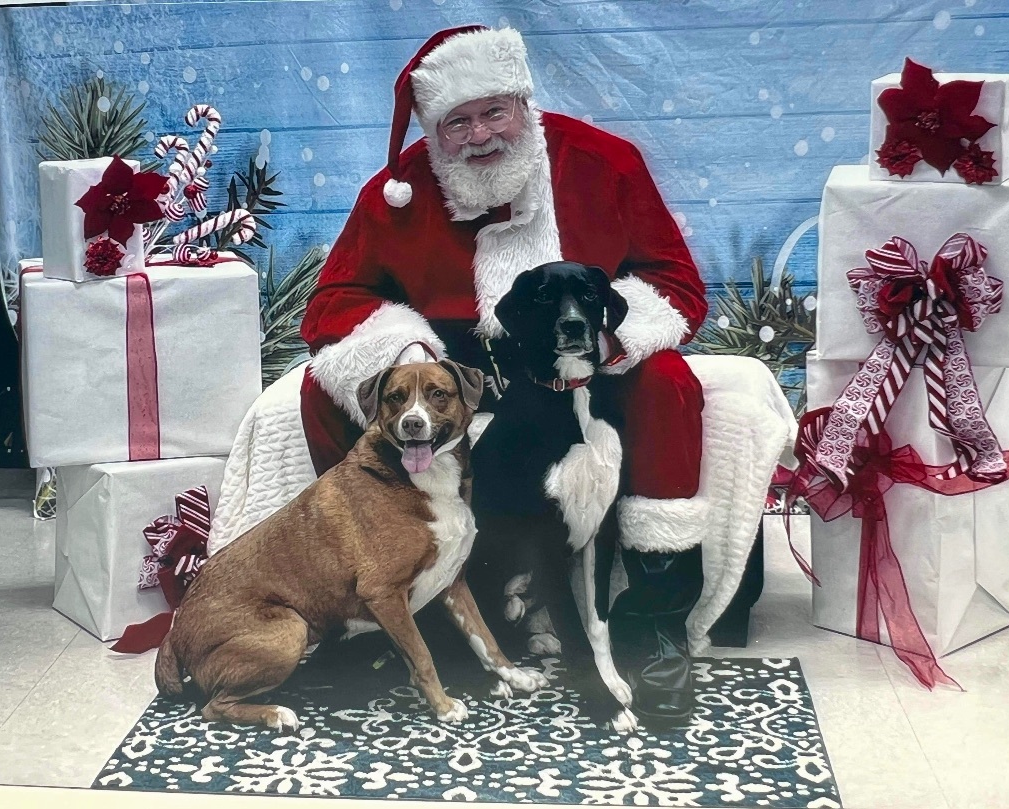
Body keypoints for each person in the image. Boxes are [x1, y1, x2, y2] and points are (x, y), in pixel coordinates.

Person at [299, 25, 709, 724]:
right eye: (457, 122)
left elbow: (675, 281)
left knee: (672, 383)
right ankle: (390, 583)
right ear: (433, 131)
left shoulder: (603, 162)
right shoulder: (394, 192)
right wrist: (409, 355)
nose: (481, 134)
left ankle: (655, 621)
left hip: (584, 357)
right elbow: (333, 303)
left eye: (495, 111)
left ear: (524, 102)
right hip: (454, 366)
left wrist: (613, 339)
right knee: (318, 390)